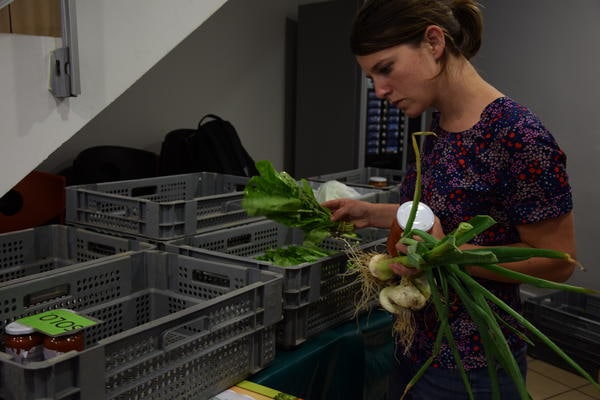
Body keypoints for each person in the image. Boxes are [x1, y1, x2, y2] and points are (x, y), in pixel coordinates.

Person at [322, 0, 576, 398]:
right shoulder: (440, 125)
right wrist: (370, 212)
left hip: (471, 366)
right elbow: (444, 215)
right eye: (372, 76)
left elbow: (559, 261)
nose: (380, 90)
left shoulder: (518, 136)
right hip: (416, 345)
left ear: (434, 42)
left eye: (385, 69)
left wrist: (447, 253)